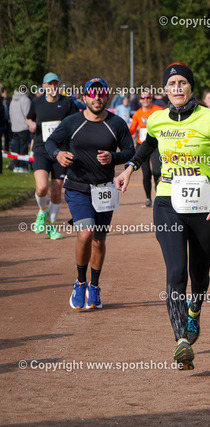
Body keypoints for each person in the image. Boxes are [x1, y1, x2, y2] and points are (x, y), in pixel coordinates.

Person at [115, 63, 210, 370]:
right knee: (176, 272)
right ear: (165, 89)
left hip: (206, 207)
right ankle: (181, 340)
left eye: (182, 82)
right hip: (168, 204)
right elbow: (147, 146)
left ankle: (194, 311)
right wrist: (130, 169)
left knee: (199, 275)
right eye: (171, 83)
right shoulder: (157, 119)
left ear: (191, 87)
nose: (176, 88)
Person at [45, 77, 135, 309]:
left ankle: (94, 286)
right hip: (78, 187)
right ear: (85, 97)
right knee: (85, 234)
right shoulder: (72, 122)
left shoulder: (116, 123)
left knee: (99, 240)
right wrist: (58, 154)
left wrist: (113, 157)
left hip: (104, 190)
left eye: (101, 93)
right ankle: (80, 282)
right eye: (92, 94)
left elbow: (130, 151)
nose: (97, 98)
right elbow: (51, 142)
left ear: (107, 97)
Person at [26, 72, 79, 239]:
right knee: (42, 187)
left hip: (60, 153)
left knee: (56, 192)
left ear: (59, 85)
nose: (53, 87)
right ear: (44, 86)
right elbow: (29, 118)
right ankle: (42, 212)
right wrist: (31, 124)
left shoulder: (68, 103)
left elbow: (76, 123)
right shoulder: (37, 102)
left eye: (55, 84)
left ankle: (52, 227)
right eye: (49, 84)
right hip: (41, 150)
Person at [129, 89, 164, 207]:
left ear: (151, 98)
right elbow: (132, 130)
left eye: (148, 97)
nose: (145, 100)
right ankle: (148, 198)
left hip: (155, 145)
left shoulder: (158, 111)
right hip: (142, 145)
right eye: (143, 98)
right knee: (146, 173)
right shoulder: (137, 114)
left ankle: (159, 196)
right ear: (140, 100)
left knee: (157, 171)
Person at [9, 86, 32, 173]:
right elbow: (28, 114)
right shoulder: (25, 99)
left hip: (15, 127)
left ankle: (16, 165)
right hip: (23, 127)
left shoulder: (13, 100)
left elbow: (10, 112)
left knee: (16, 148)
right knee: (23, 148)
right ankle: (23, 166)